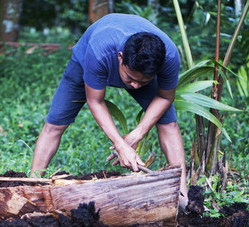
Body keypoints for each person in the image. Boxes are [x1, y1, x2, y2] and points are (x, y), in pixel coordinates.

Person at [30, 13, 189, 211]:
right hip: (87, 58)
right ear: (120, 57)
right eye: (130, 78)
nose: (135, 86)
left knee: (168, 122)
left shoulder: (169, 57)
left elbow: (165, 97)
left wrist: (136, 134)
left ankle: (183, 198)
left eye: (143, 82)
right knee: (55, 123)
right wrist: (121, 145)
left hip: (135, 62)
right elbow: (95, 101)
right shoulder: (99, 51)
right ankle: (33, 185)